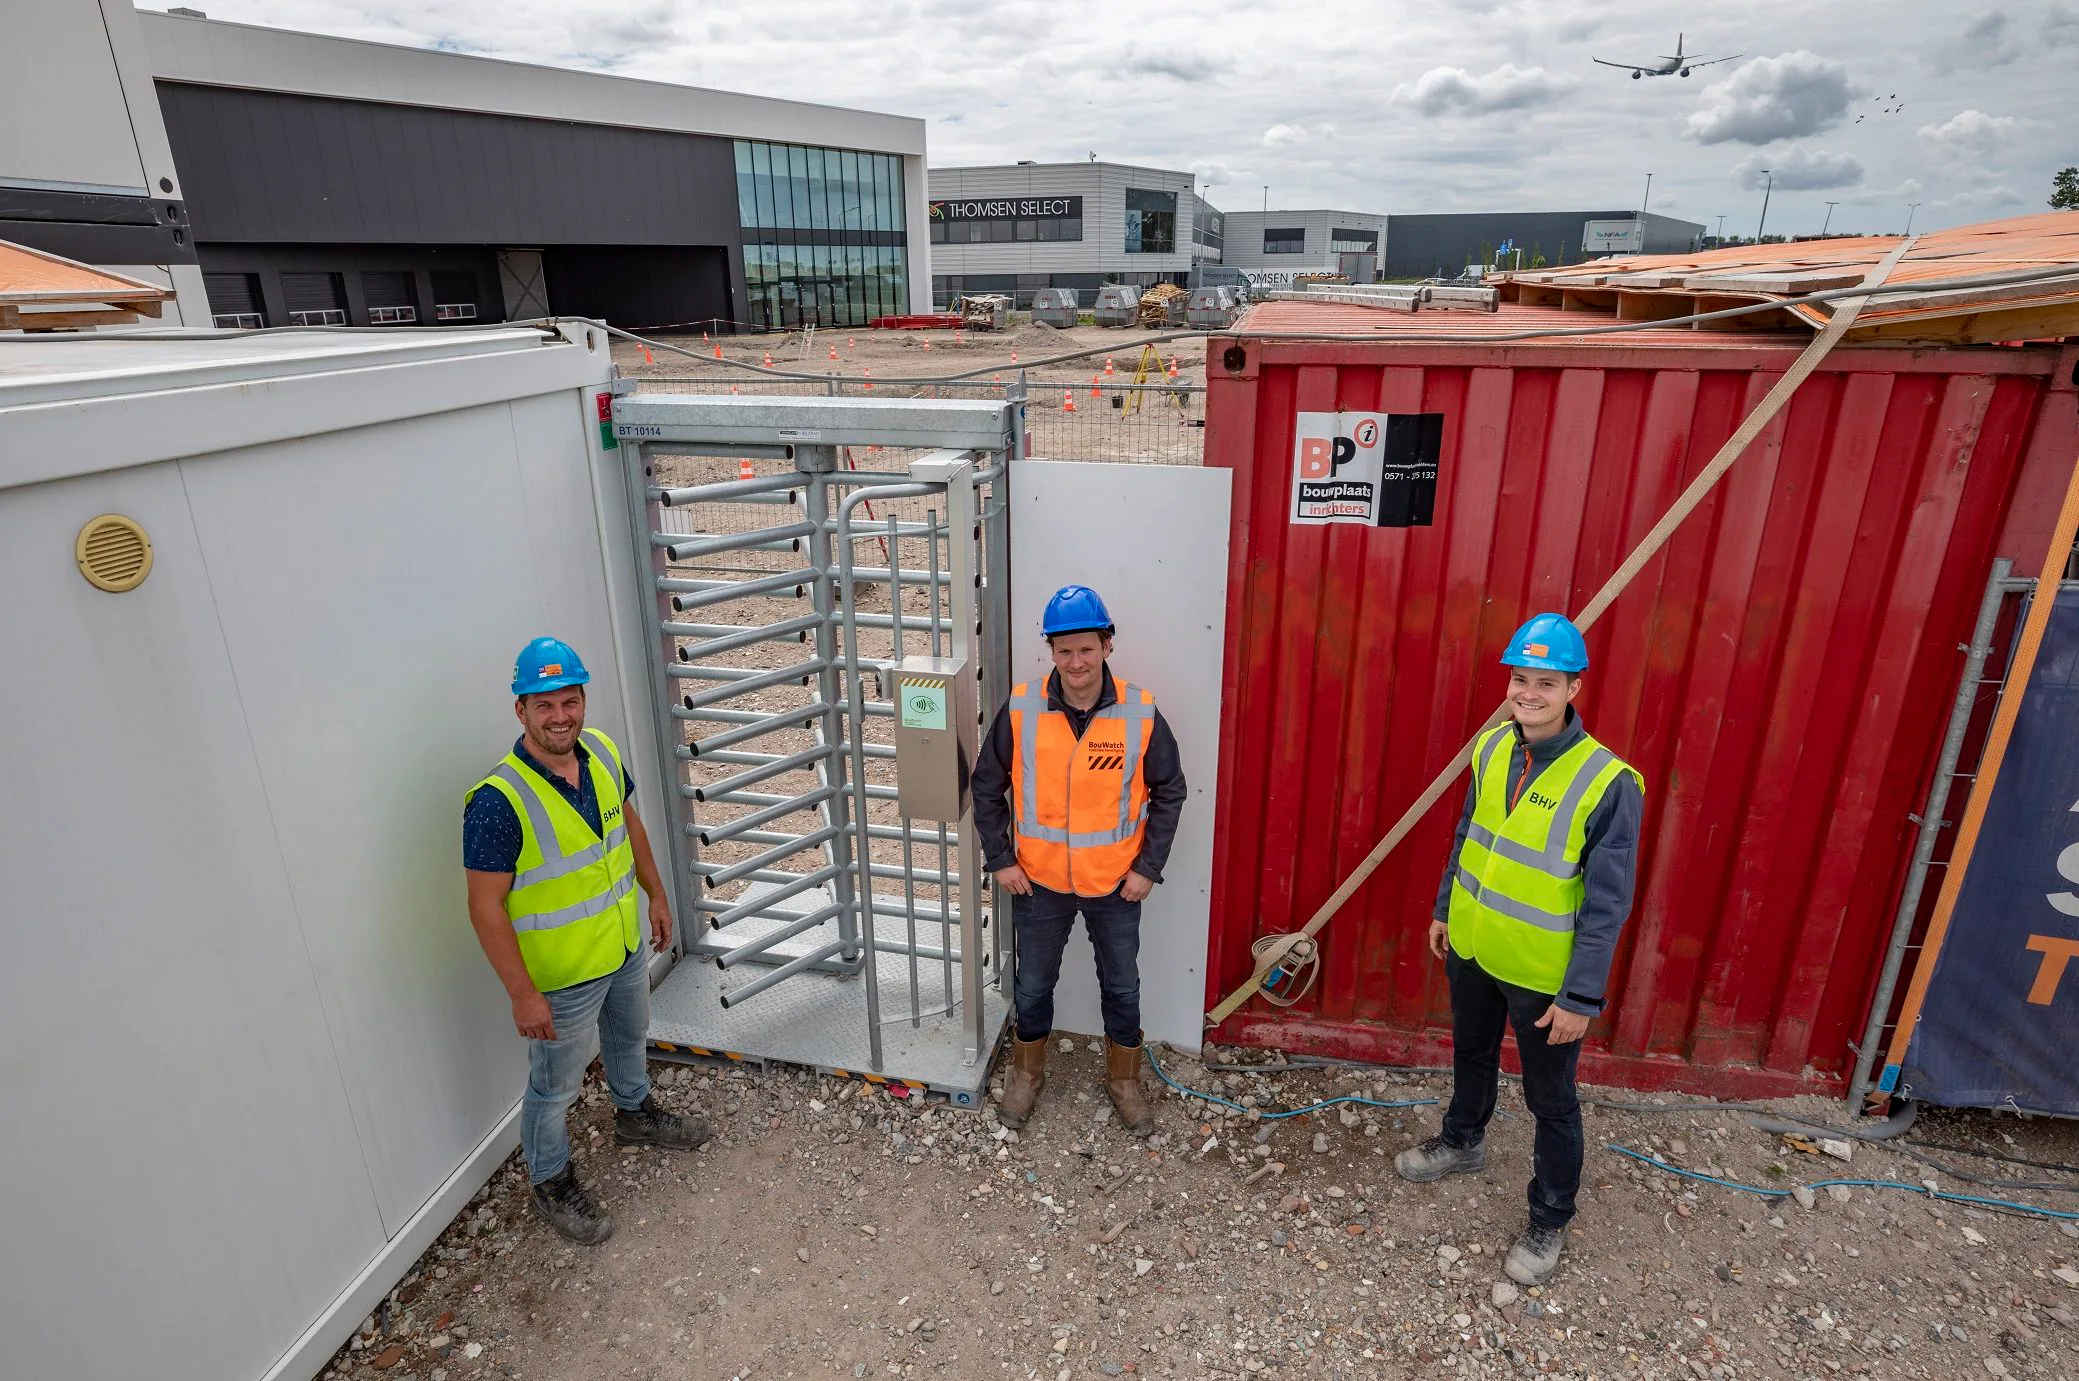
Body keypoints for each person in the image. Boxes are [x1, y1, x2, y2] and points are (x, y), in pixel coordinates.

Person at [1395, 613, 1644, 1286]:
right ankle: (1462, 1140)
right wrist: (1447, 907)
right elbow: (1466, 836)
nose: (1527, 692)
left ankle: (1550, 1217)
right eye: (1518, 678)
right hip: (1474, 948)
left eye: (1543, 681)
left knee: (1550, 1099)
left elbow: (1606, 903)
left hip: (1542, 974)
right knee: (1470, 1053)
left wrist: (1581, 995)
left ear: (1572, 688)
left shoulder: (1606, 781)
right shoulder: (1492, 749)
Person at [463, 637, 710, 1245]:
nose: (560, 717)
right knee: (554, 1086)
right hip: (564, 976)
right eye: (544, 706)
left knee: (629, 1037)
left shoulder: (598, 751)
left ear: (583, 701)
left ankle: (634, 1113)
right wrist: (523, 994)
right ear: (519, 710)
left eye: (569, 702)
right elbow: (484, 906)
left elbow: (628, 826)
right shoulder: (497, 802)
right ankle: (550, 1181)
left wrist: (655, 894)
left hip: (623, 947)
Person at [970, 586, 1188, 1135]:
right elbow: (987, 784)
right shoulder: (1022, 707)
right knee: (1033, 985)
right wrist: (1000, 859)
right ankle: (1027, 1073)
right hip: (1038, 882)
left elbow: (1170, 791)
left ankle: (1124, 1079)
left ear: (1107, 645)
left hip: (1116, 885)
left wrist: (1147, 868)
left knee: (1122, 986)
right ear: (1051, 651)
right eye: (1064, 651)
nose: (1076, 662)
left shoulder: (1139, 711)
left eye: (1086, 649)